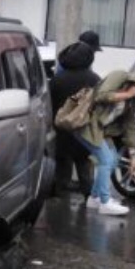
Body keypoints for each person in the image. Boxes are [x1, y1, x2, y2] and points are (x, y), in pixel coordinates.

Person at [73, 67, 135, 216]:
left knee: (113, 161)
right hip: (86, 123)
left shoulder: (133, 101)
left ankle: (94, 199)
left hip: (101, 130)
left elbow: (130, 127)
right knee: (106, 160)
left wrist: (134, 156)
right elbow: (100, 96)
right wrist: (127, 94)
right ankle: (104, 202)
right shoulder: (119, 76)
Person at [48, 32, 101, 196]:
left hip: (62, 132)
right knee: (85, 169)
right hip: (84, 132)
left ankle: (57, 198)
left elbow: (50, 104)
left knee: (61, 168)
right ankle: (89, 198)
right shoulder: (94, 80)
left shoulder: (57, 79)